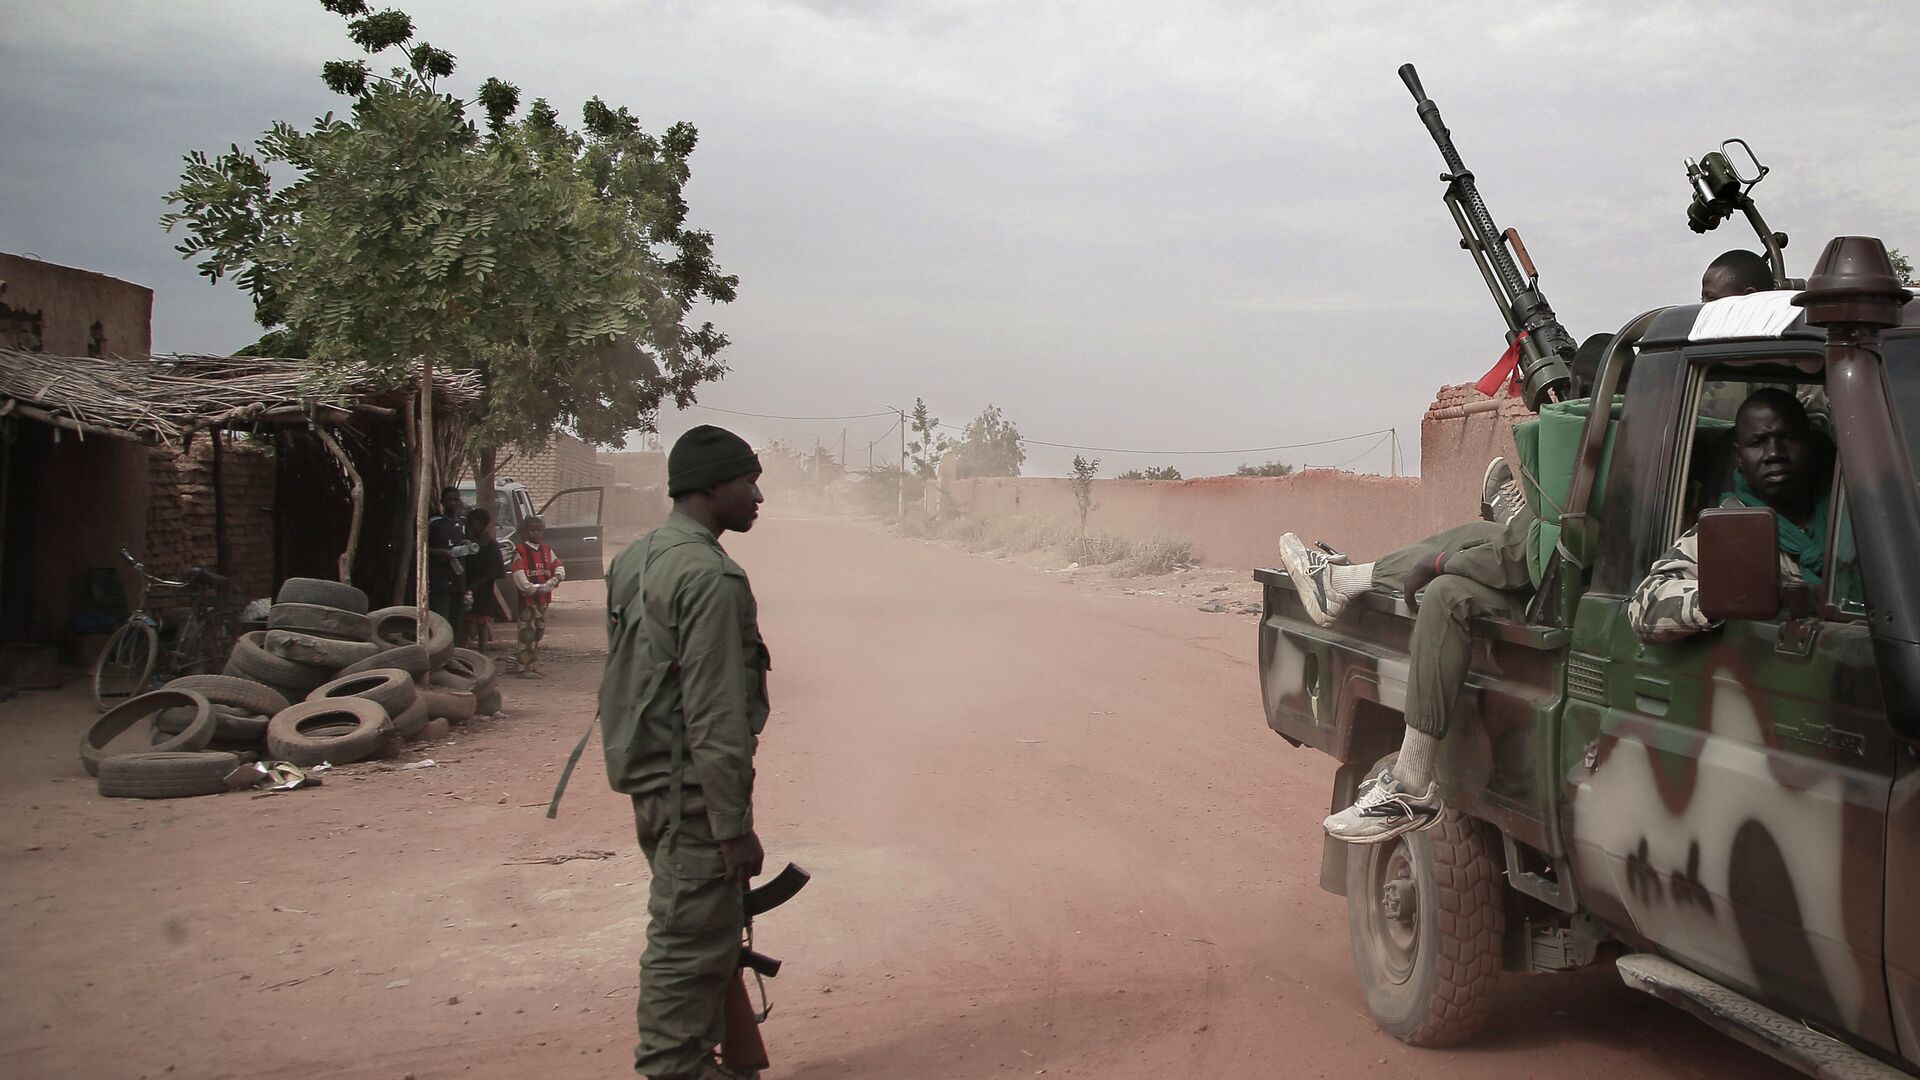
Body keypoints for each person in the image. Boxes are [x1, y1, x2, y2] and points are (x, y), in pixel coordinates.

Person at [598, 424, 770, 1080]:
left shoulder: (638, 557)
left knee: (707, 937)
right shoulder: (712, 578)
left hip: (651, 783)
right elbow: (716, 717)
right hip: (694, 796)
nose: (757, 495)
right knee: (685, 951)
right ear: (707, 488)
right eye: (747, 481)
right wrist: (733, 828)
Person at [1629, 388, 1842, 640]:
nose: (1774, 453)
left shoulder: (1849, 516)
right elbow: (1645, 604)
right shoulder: (1728, 530)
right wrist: (1734, 594)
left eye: (1787, 438)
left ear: (1809, 443)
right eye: (1758, 443)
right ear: (1739, 457)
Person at [509, 515, 565, 676]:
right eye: (533, 530)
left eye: (539, 530)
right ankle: (524, 668)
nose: (536, 534)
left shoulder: (547, 550)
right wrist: (536, 588)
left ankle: (530, 664)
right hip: (527, 600)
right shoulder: (520, 551)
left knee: (539, 632)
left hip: (543, 600)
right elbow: (520, 577)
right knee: (527, 633)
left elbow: (559, 566)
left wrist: (555, 579)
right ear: (525, 532)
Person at [427, 485, 470, 646]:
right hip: (441, 580)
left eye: (456, 500)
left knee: (457, 620)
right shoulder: (435, 523)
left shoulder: (463, 524)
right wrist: (440, 553)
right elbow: (422, 547)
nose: (453, 503)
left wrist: (467, 543)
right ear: (442, 502)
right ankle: (440, 650)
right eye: (449, 500)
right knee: (441, 618)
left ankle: (456, 652)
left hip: (458, 579)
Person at [463, 506, 508, 652]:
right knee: (468, 621)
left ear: (483, 524)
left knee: (482, 621)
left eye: (473, 523)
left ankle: (482, 652)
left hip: (483, 590)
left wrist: (478, 584)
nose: (470, 526)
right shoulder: (467, 543)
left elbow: (496, 571)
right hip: (468, 587)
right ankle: (467, 650)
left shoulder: (490, 545)